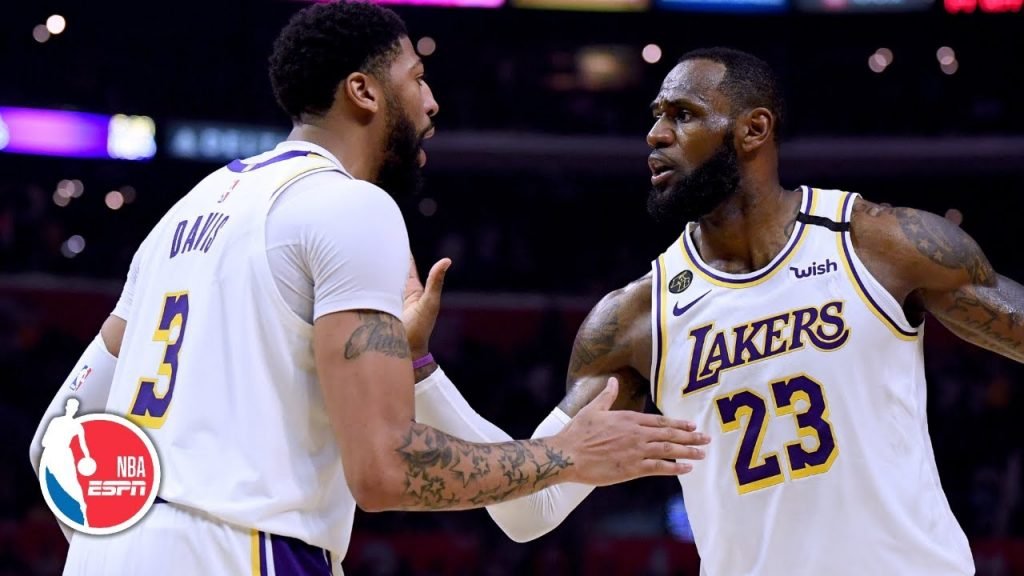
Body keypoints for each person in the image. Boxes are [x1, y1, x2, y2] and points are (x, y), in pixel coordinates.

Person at [28, 3, 710, 574]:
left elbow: (52, 440)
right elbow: (383, 472)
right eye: (417, 79)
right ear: (363, 92)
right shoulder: (351, 205)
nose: (431, 103)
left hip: (103, 552)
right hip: (241, 549)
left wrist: (129, 540)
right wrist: (565, 455)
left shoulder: (183, 214)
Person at [410, 47, 1024, 575]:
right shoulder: (637, 318)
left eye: (682, 115)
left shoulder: (877, 244)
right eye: (656, 116)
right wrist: (419, 366)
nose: (655, 135)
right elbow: (527, 511)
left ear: (754, 130)